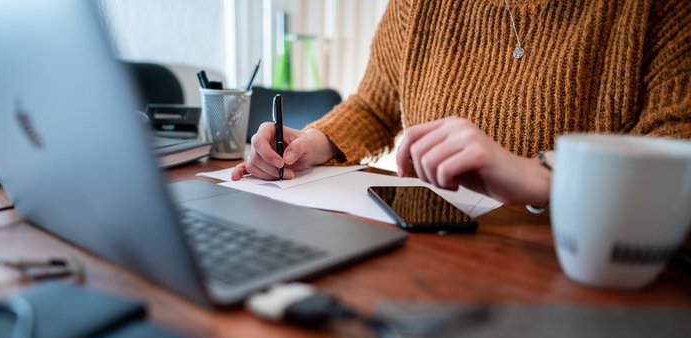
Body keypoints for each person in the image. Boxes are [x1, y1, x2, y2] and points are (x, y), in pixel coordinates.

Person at [232, 0, 691, 209]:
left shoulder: (657, 12)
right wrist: (311, 141)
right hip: (434, 254)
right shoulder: (419, 8)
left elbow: (678, 158)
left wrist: (545, 177)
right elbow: (375, 104)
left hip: (573, 276)